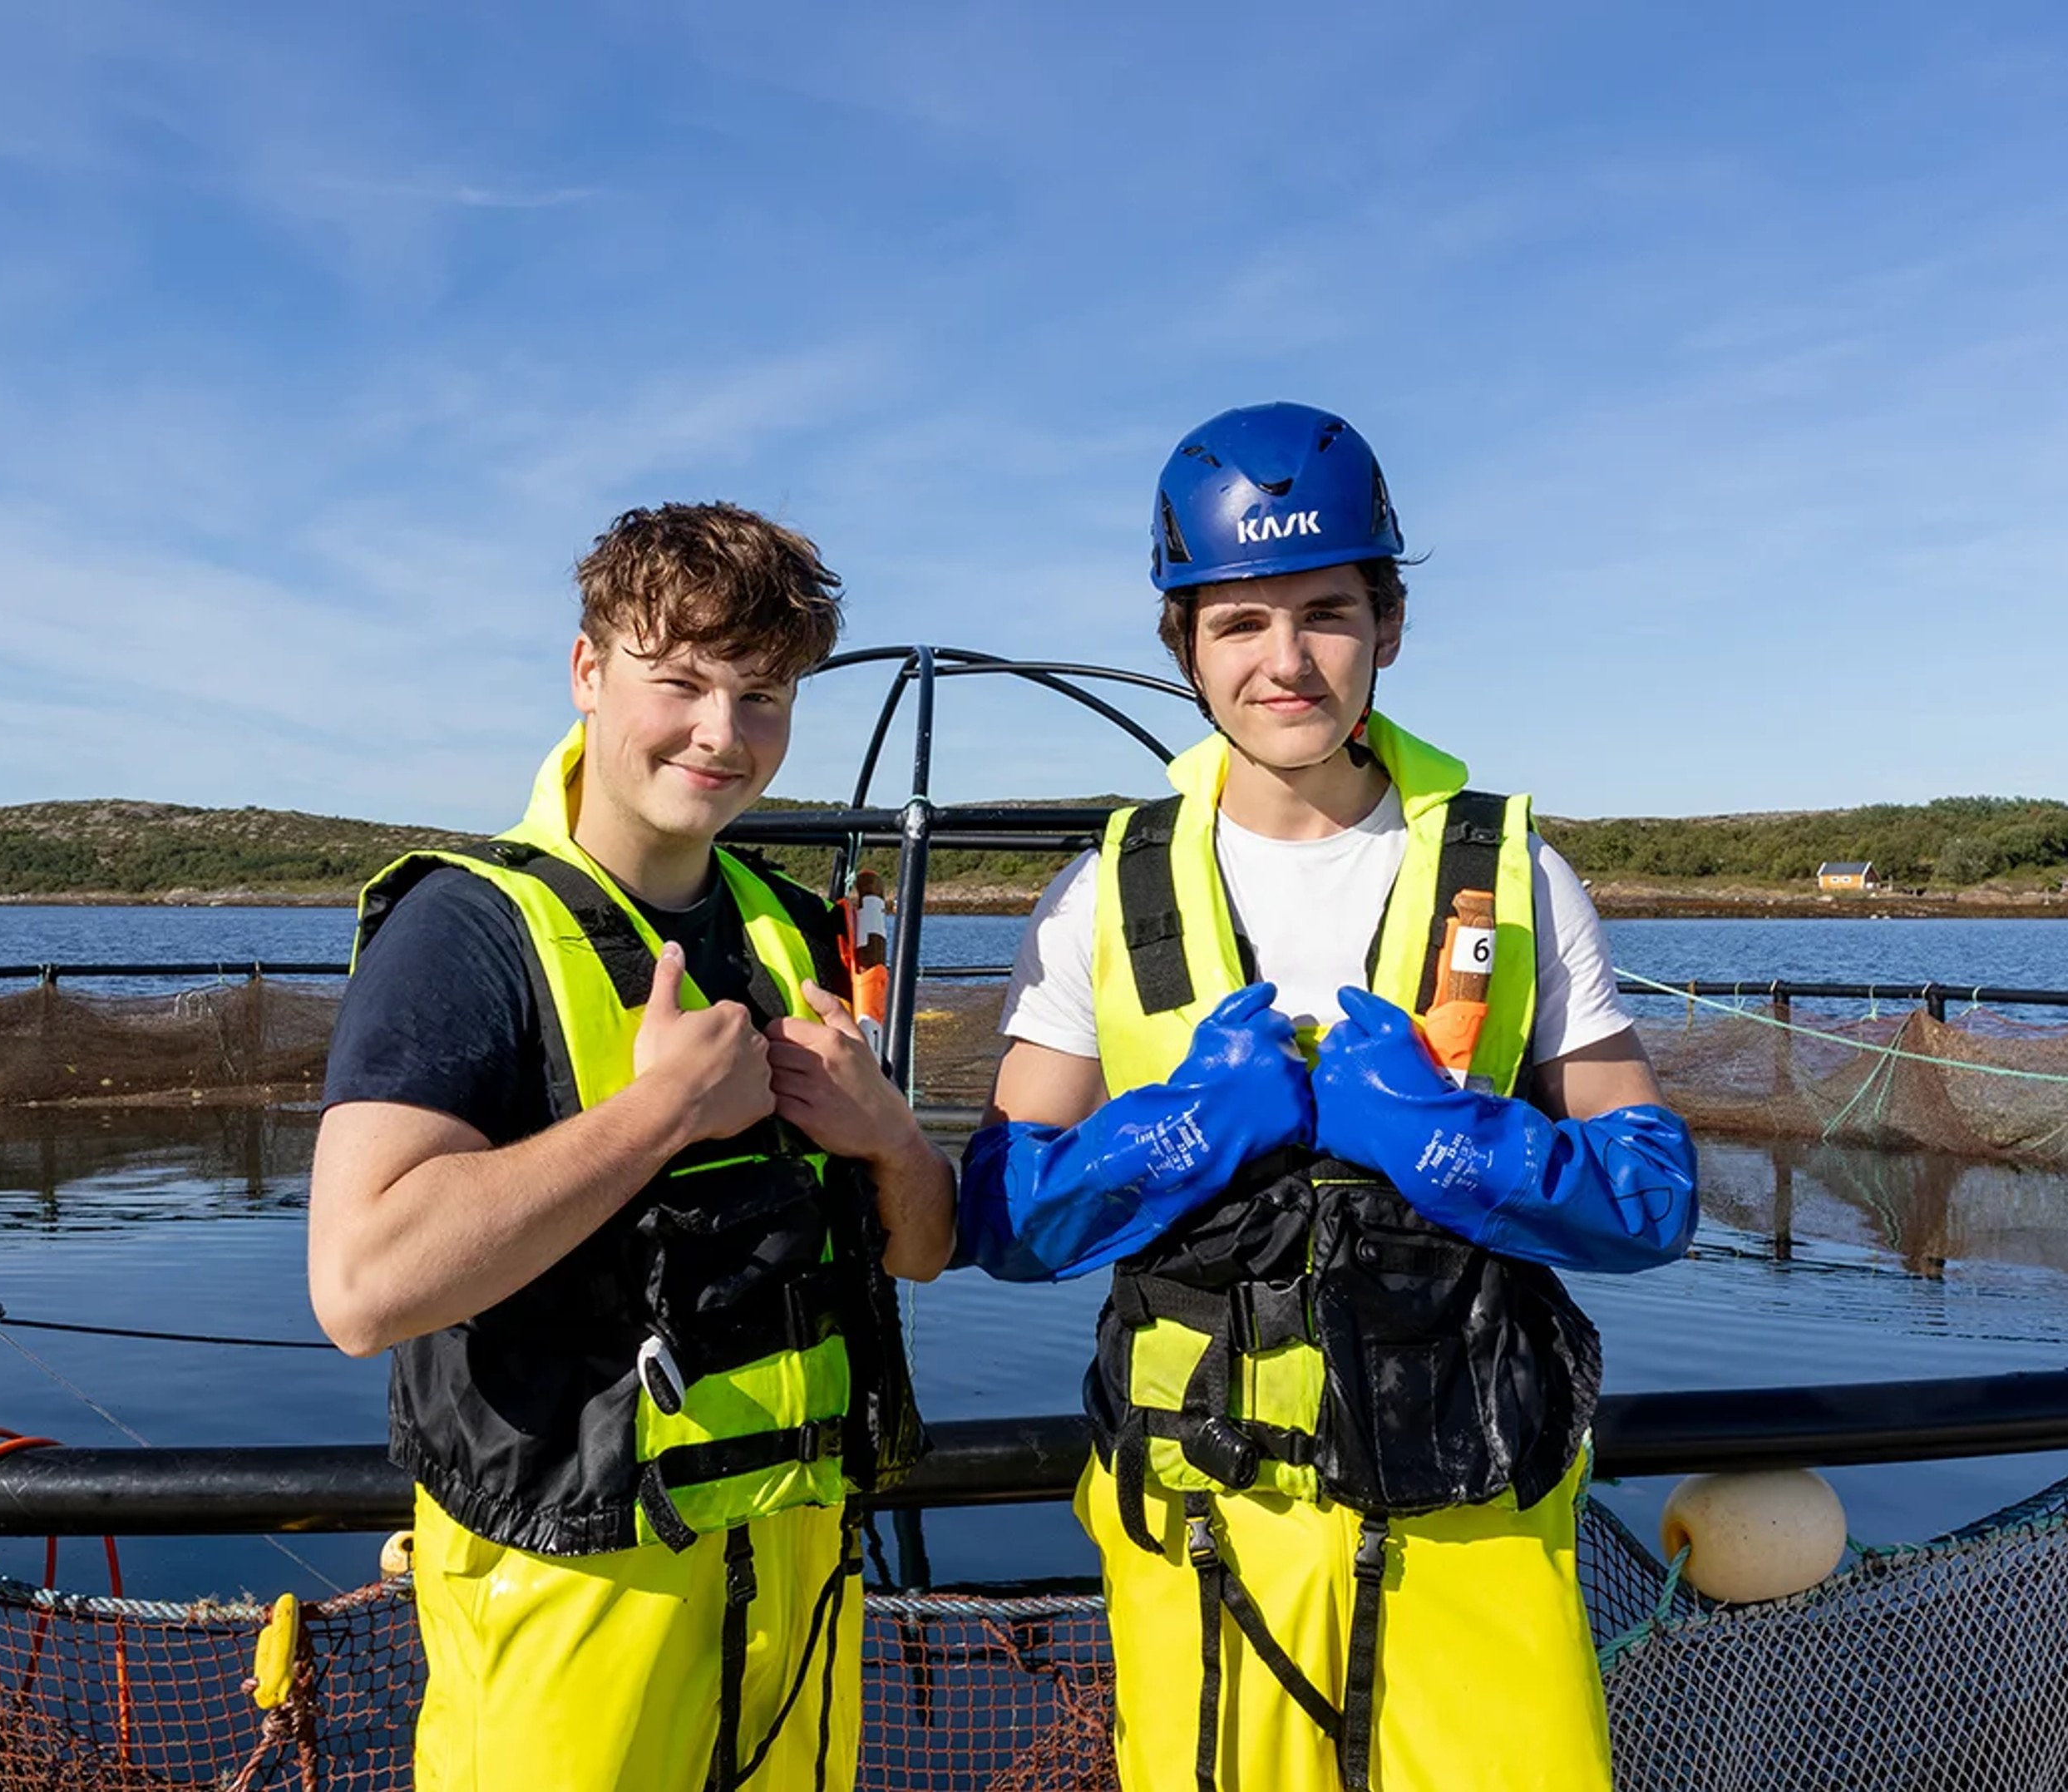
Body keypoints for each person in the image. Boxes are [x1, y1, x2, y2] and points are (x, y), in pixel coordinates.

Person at [955, 403, 1698, 1791]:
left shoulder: (1513, 875)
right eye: (1238, 623)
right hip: (1201, 1519)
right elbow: (1000, 1218)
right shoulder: (1105, 893)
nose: (1285, 661)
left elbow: (1650, 1199)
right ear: (1182, 645)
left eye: (1327, 613)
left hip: (1475, 1510)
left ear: (1388, 626)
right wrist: (1175, 1135)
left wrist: (1450, 1144)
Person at [307, 501, 957, 1792]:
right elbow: (361, 1286)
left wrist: (888, 1134)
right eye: (682, 684)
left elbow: (923, 1252)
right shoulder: (465, 932)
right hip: (571, 1594)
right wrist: (660, 1115)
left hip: (798, 1590)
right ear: (588, 672)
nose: (723, 734)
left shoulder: (795, 931)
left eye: (763, 696)